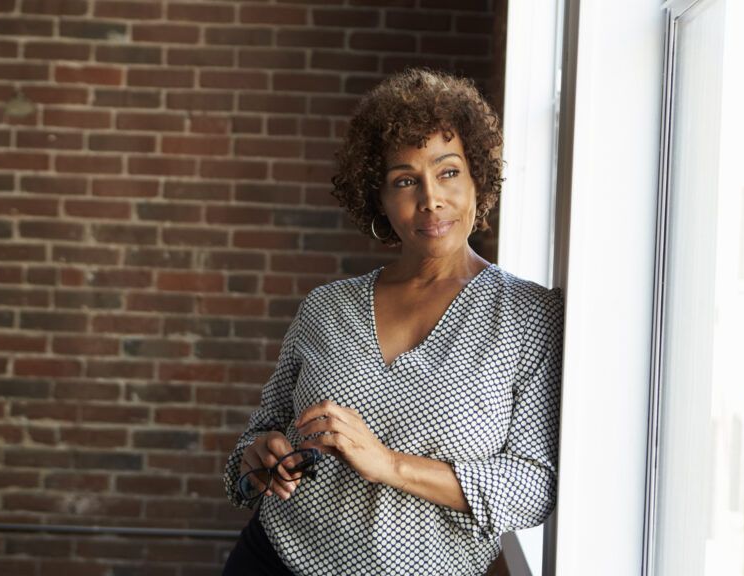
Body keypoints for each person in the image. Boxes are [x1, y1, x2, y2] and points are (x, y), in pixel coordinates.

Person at [221, 68, 564, 576]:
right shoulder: (326, 307)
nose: (430, 199)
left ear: (478, 179)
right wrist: (260, 461)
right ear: (379, 199)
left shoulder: (530, 316)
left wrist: (389, 464)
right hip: (271, 562)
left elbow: (533, 488)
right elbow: (253, 449)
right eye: (405, 181)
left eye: (448, 172)